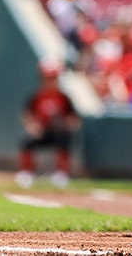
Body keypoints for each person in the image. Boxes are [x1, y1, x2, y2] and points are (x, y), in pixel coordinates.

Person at [16, 59, 81, 189]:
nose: (50, 81)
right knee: (26, 141)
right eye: (47, 78)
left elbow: (74, 117)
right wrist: (33, 127)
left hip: (58, 132)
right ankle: (26, 174)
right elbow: (27, 114)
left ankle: (61, 175)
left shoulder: (64, 97)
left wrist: (68, 125)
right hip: (42, 132)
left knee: (64, 139)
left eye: (53, 78)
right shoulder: (37, 96)